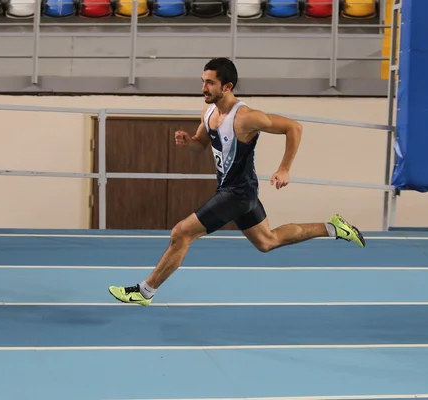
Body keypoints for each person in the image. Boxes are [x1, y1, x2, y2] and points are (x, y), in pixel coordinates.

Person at [108, 57, 365, 306]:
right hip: (237, 191)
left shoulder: (246, 117)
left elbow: (294, 128)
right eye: (203, 81)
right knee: (267, 241)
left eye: (209, 83)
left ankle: (145, 291)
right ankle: (332, 228)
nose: (203, 88)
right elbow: (200, 146)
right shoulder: (208, 112)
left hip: (238, 193)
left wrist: (284, 168)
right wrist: (188, 142)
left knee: (181, 233)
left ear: (227, 86)